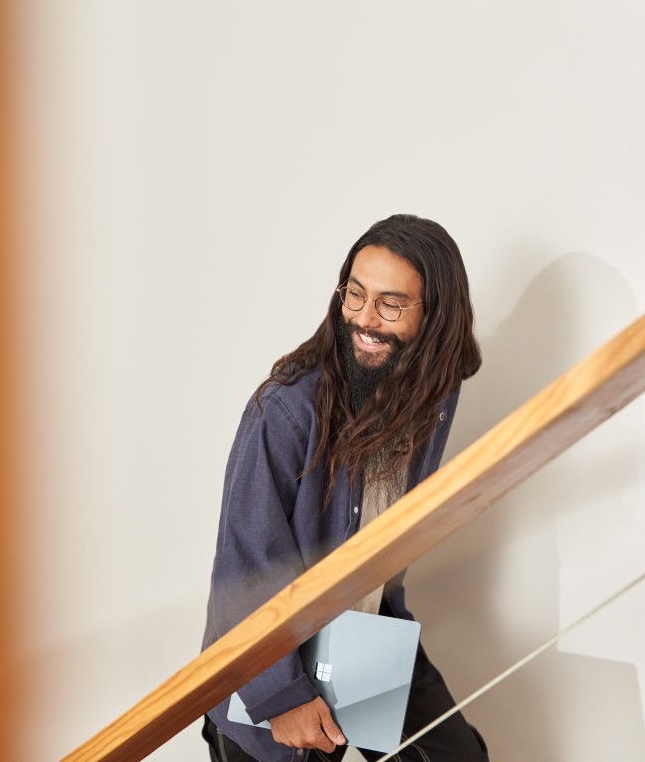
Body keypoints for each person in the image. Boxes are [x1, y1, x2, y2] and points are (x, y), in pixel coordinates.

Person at [200, 215, 489, 762]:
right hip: (270, 670)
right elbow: (244, 565)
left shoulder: (436, 392)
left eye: (391, 303)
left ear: (437, 316)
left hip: (363, 640)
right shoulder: (284, 410)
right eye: (354, 294)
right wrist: (280, 695)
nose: (364, 318)